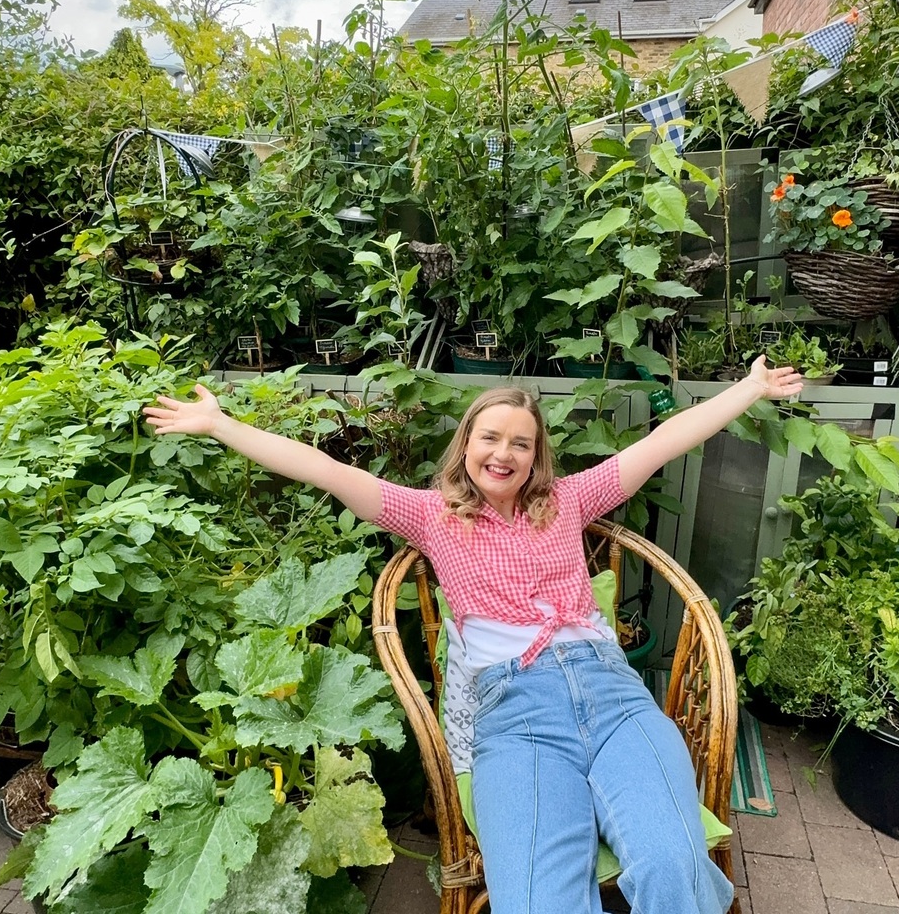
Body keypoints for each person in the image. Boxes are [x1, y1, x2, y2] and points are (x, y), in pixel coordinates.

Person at [143, 355, 801, 914]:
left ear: (537, 455)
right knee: (538, 902)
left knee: (675, 868)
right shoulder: (430, 516)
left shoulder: (568, 500)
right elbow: (325, 472)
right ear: (467, 446)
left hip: (615, 699)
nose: (505, 452)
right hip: (518, 718)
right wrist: (219, 424)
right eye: (491, 437)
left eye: (521, 442)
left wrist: (750, 388)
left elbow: (665, 441)